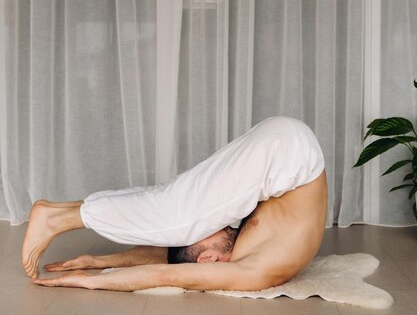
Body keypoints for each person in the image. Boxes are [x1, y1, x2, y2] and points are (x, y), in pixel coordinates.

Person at [22, 116, 328, 292]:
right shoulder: (252, 266)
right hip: (292, 159)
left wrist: (96, 269)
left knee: (170, 208)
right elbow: (171, 267)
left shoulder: (243, 263)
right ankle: (56, 218)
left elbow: (167, 267)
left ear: (207, 259)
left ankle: (60, 214)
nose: (217, 225)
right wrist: (94, 279)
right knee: (174, 216)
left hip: (288, 150)